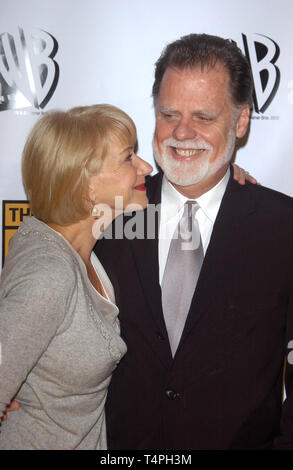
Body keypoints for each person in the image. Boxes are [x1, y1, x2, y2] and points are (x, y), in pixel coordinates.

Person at [94, 34, 293, 450]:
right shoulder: (105, 216)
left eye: (203, 117)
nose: (181, 132)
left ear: (241, 122)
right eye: (169, 114)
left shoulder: (283, 227)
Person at [0, 104, 152, 449]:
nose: (146, 167)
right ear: (88, 188)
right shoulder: (49, 274)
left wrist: (227, 174)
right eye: (129, 157)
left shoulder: (82, 252)